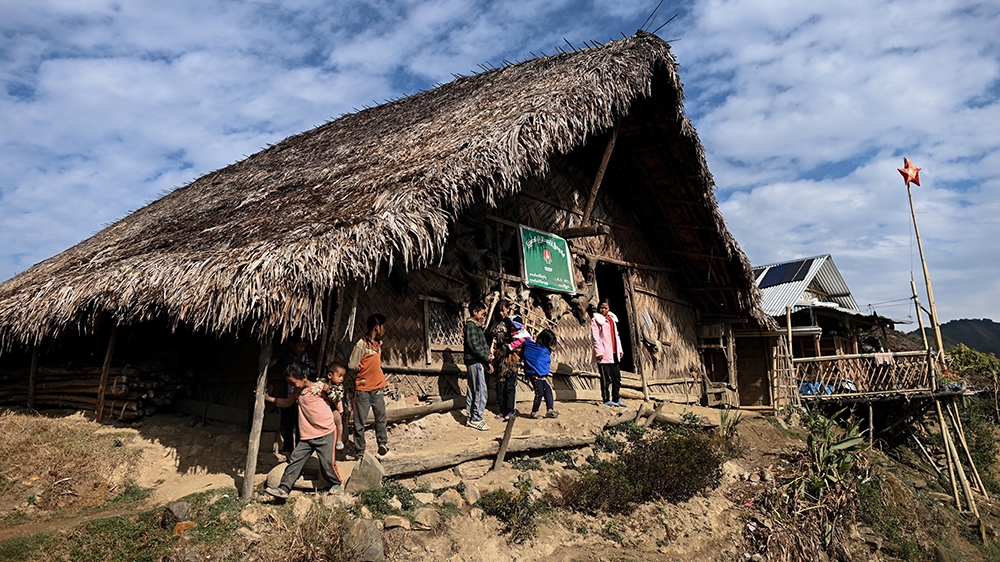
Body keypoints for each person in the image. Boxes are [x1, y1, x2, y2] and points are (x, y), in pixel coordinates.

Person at [263, 362, 342, 499]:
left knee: (327, 462)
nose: (291, 387)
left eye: (293, 383)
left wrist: (332, 398)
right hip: (307, 436)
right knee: (295, 460)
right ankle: (284, 488)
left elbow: (336, 399)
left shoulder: (318, 389)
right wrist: (269, 398)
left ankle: (336, 483)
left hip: (326, 432)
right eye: (290, 384)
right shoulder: (298, 393)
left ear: (304, 377)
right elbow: (286, 403)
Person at [269, 338, 317, 460]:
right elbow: (271, 364)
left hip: (302, 398)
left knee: (301, 425)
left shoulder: (304, 357)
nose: (302, 349)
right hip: (288, 396)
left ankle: (300, 451)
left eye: (304, 347)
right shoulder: (283, 356)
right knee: (287, 425)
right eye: (300, 346)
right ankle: (287, 449)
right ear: (291, 344)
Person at [349, 314, 389, 457]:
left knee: (381, 417)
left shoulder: (378, 345)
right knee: (360, 421)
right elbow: (352, 365)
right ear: (376, 327)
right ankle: (360, 451)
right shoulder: (361, 345)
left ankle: (382, 443)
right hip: (363, 389)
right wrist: (364, 374)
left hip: (377, 387)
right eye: (383, 327)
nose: (384, 330)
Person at [592, 298, 627, 407]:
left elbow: (616, 336)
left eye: (605, 308)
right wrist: (599, 352)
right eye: (601, 308)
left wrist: (620, 350)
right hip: (603, 354)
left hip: (614, 352)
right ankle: (606, 399)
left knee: (617, 377)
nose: (603, 310)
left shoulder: (612, 319)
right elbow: (595, 337)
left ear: (609, 308)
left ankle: (616, 399)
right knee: (606, 378)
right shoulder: (596, 320)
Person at [464, 302, 492, 431]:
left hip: (477, 362)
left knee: (473, 390)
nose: (483, 316)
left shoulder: (476, 326)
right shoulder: (471, 326)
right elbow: (475, 346)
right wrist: (486, 357)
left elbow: (482, 345)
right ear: (475, 312)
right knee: (481, 391)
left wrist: (488, 362)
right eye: (482, 313)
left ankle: (470, 418)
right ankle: (476, 418)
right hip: (475, 362)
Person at [524, 328, 558, 419]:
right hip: (535, 375)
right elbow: (531, 356)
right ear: (545, 340)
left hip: (541, 376)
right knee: (539, 393)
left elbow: (545, 360)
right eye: (551, 342)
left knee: (548, 391)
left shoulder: (544, 350)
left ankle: (550, 410)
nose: (551, 344)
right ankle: (534, 412)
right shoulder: (533, 348)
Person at [316, 363, 347, 451]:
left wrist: (329, 392)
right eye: (339, 376)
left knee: (338, 419)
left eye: (343, 376)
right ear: (330, 375)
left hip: (333, 408)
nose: (342, 379)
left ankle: (339, 439)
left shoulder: (339, 387)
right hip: (321, 407)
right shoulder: (321, 382)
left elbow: (337, 398)